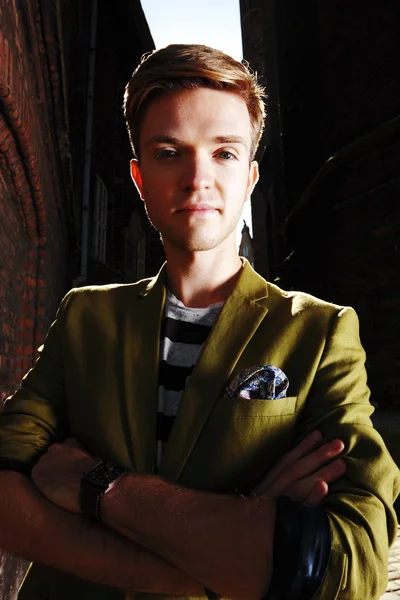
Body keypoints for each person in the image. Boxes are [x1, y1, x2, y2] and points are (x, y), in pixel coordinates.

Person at [0, 44, 398, 600]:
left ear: (252, 176)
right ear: (139, 178)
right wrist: (219, 563)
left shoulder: (320, 331)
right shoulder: (85, 316)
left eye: (224, 154)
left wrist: (97, 486)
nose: (197, 179)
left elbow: (351, 565)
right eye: (169, 152)